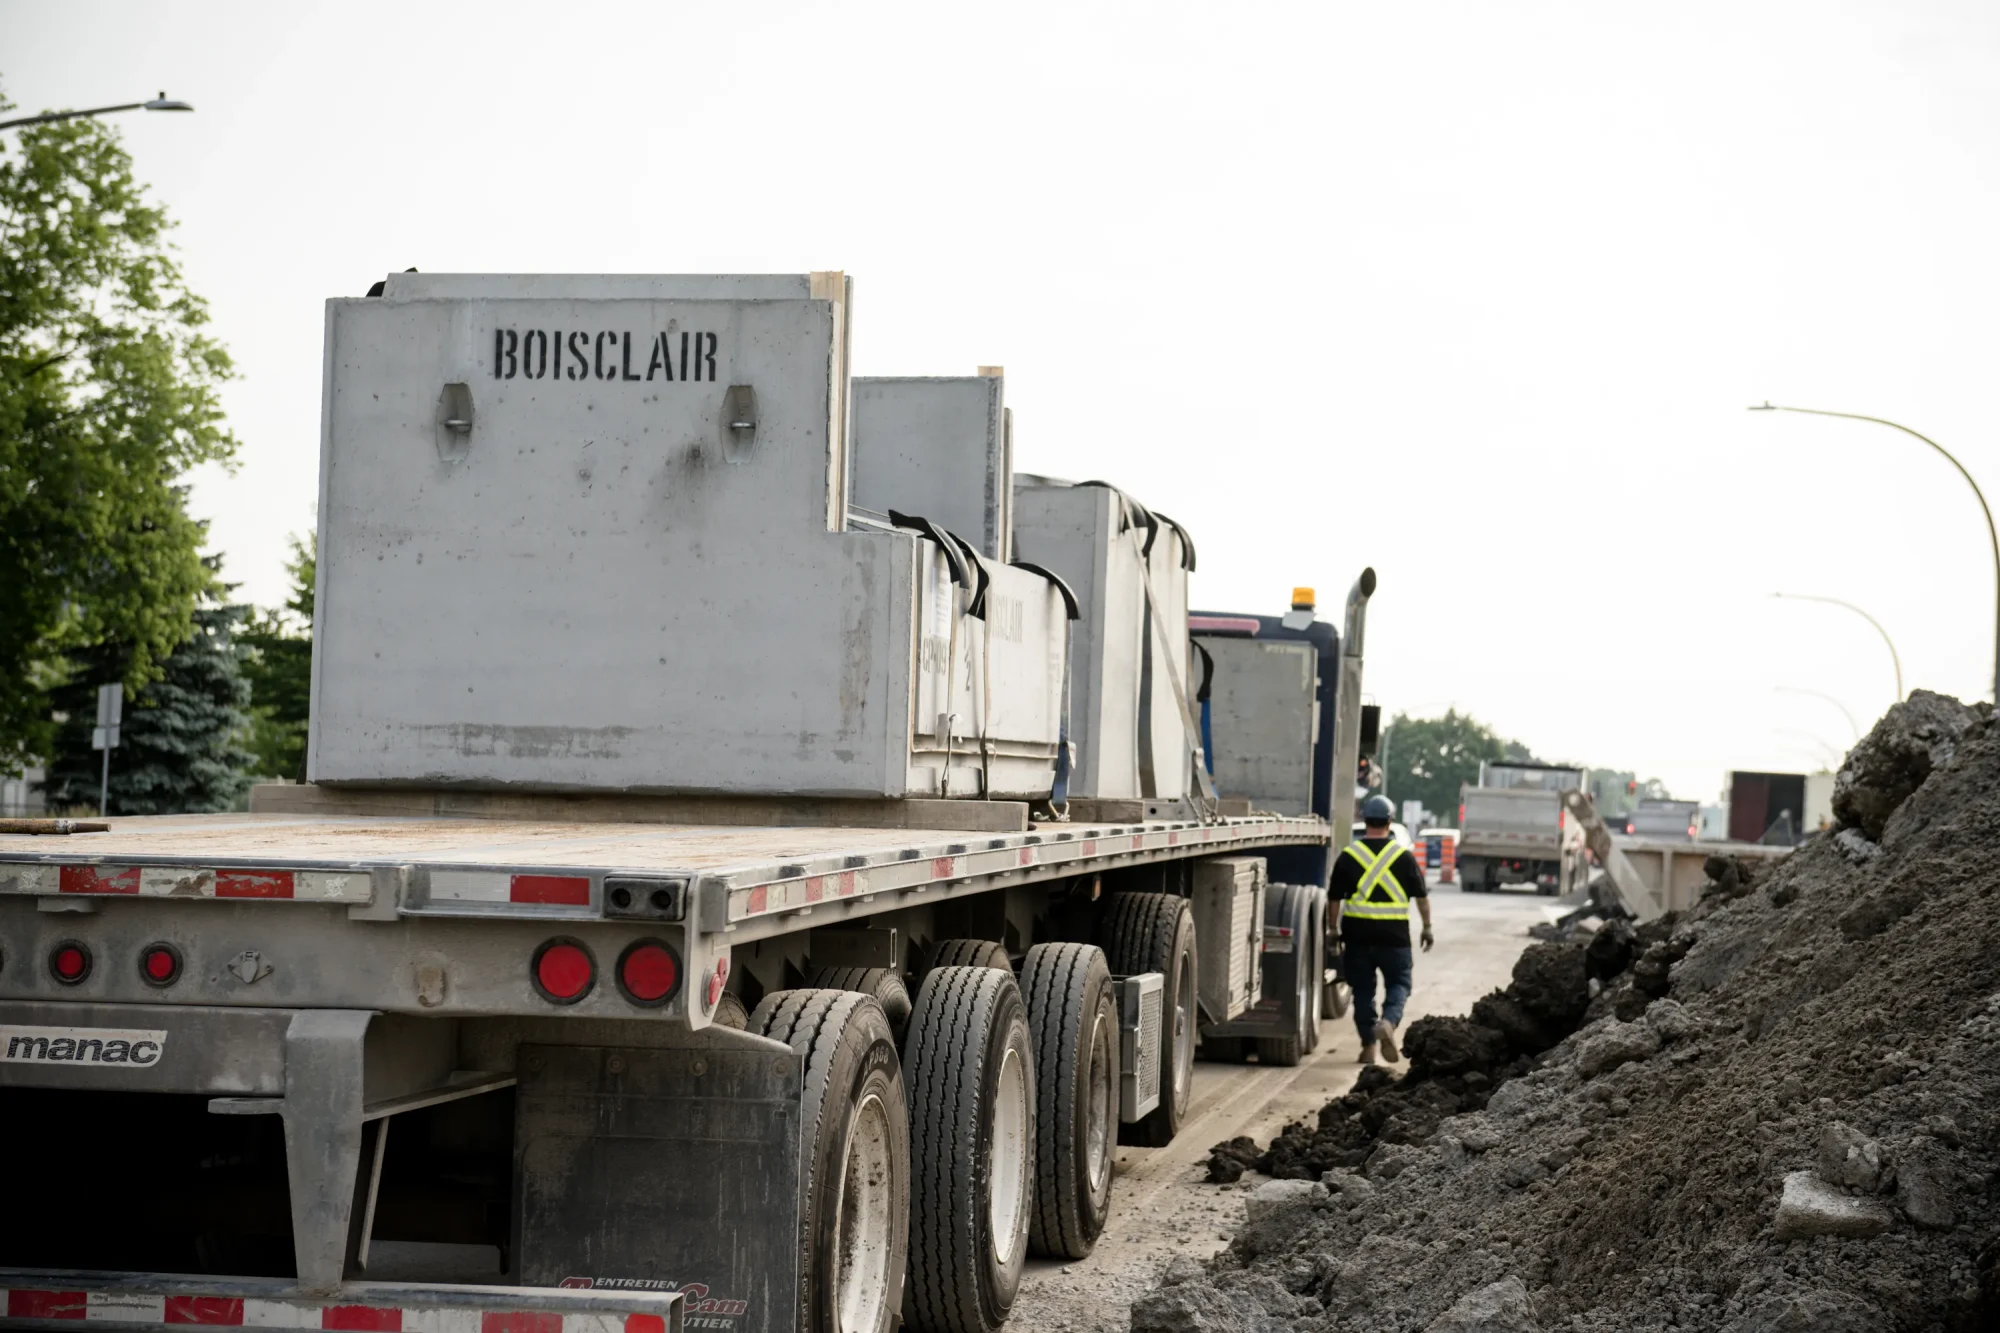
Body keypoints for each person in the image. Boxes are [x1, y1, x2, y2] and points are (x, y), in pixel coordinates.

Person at [1331, 794, 1433, 1064]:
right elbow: (1422, 898)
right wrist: (1427, 928)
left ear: (1365, 820)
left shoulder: (1349, 856)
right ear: (1390, 821)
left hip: (1357, 938)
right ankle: (1388, 1022)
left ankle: (1368, 1046)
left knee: (1363, 991)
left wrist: (1332, 930)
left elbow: (1334, 898)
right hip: (1394, 938)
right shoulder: (1404, 857)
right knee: (1399, 984)